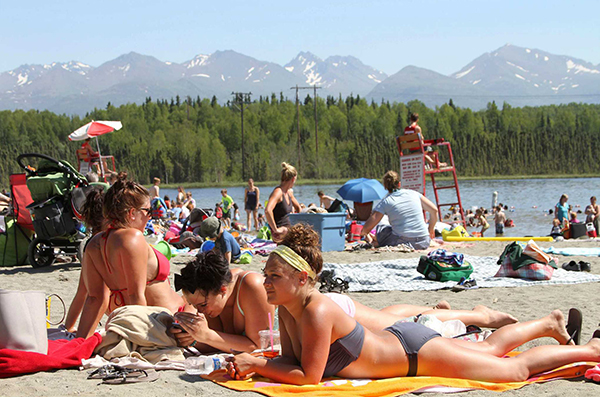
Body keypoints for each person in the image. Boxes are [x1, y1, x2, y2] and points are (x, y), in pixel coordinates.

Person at [226, 224, 599, 385]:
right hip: (403, 340)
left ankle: (590, 350)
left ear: (301, 279)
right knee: (490, 346)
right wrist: (250, 364)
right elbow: (291, 364)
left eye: (274, 275)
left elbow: (308, 377)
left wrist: (256, 362)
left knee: (514, 371)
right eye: (267, 274)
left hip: (414, 350)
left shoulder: (317, 310)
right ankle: (550, 323)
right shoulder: (289, 310)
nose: (266, 281)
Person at [76, 173, 189, 339]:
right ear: (131, 213)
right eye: (147, 211)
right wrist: (144, 340)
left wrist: (80, 341)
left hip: (130, 323)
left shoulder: (94, 244)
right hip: (168, 323)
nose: (150, 216)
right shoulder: (132, 238)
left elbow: (94, 299)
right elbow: (136, 296)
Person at [171, 250, 274, 352]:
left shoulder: (252, 286)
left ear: (222, 289)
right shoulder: (213, 302)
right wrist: (192, 339)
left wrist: (207, 336)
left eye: (203, 305)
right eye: (194, 305)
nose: (200, 311)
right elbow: (219, 345)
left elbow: (260, 347)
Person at [64, 186, 106, 333]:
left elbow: (82, 292)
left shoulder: (91, 243)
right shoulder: (104, 242)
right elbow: (100, 298)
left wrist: (68, 327)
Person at [360, 170, 437, 250]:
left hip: (403, 241)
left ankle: (376, 241)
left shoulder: (386, 201)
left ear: (385, 187)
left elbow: (368, 226)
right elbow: (434, 210)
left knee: (382, 229)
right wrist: (430, 229)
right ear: (399, 184)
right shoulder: (414, 193)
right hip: (424, 241)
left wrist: (364, 233)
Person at [265, 162, 301, 242]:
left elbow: (298, 208)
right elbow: (268, 210)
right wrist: (275, 230)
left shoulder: (288, 193)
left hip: (289, 230)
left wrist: (299, 224)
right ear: (293, 179)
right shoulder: (278, 192)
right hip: (281, 232)